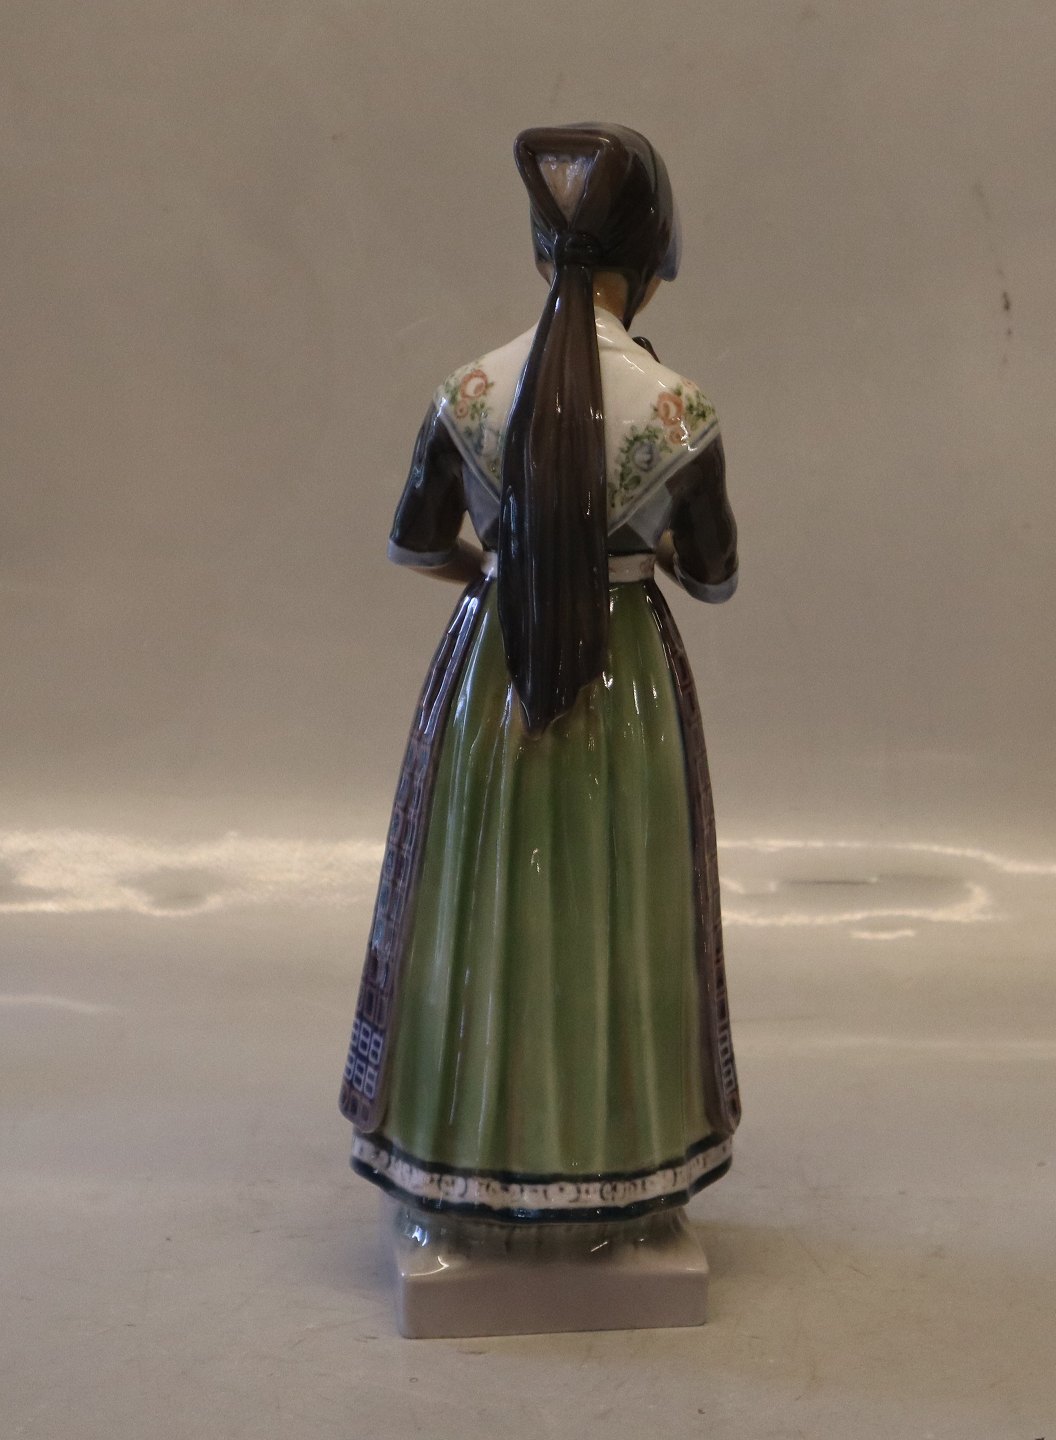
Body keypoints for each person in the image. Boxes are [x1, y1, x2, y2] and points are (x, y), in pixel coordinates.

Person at [340, 123, 740, 1224]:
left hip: (492, 674)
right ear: (650, 256)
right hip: (628, 681)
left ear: (536, 244)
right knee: (620, 904)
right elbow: (713, 578)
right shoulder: (680, 410)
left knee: (481, 897)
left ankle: (464, 1153)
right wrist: (632, 555)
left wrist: (503, 574)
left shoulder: (467, 390)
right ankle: (623, 1158)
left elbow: (417, 545)